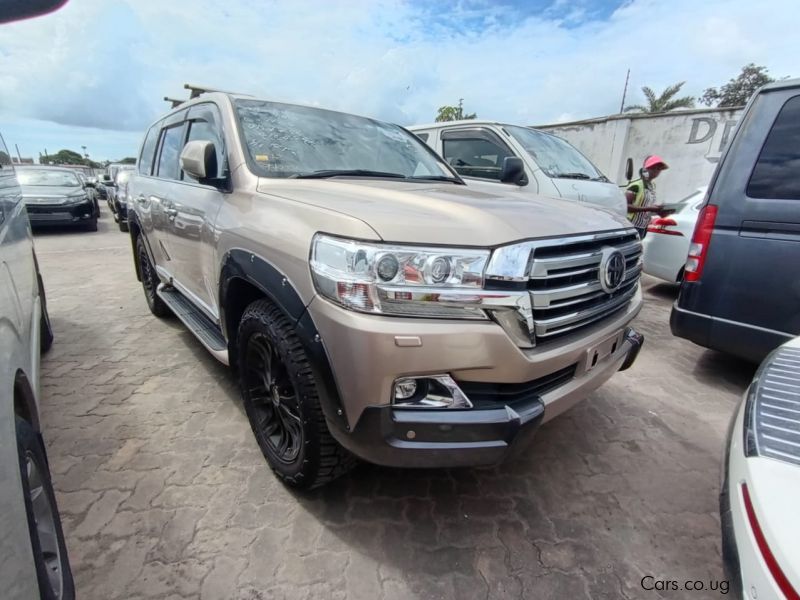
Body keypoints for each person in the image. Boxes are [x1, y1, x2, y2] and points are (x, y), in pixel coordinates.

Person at [626, 155, 671, 239]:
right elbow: (626, 206)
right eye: (654, 168)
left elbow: (648, 206)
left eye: (659, 169)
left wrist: (659, 211)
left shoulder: (652, 186)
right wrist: (649, 208)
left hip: (643, 227)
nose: (657, 171)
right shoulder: (636, 185)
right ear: (647, 168)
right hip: (631, 226)